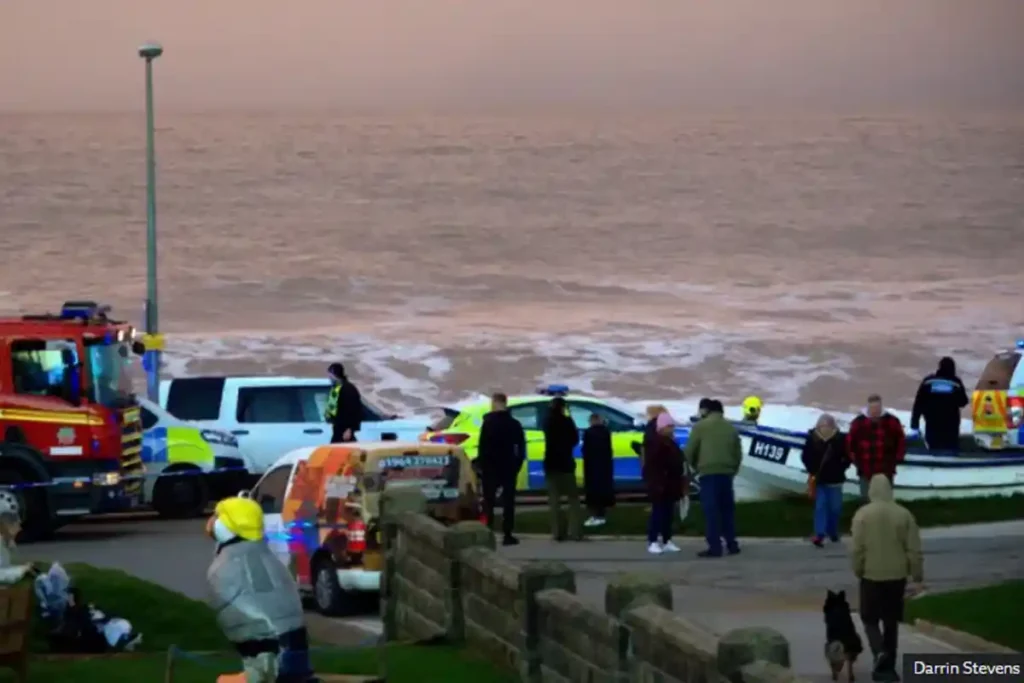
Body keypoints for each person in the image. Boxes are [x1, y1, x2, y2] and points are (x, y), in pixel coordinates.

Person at [207, 497, 319, 683]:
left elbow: (252, 630)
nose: (212, 521)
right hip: (296, 659)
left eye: (218, 516)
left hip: (270, 666)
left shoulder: (227, 567)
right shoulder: (268, 559)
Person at [851, 474, 924, 683]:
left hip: (871, 575)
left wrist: (858, 570)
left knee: (869, 617)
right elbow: (914, 549)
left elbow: (857, 549)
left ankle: (879, 652)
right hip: (897, 576)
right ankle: (889, 664)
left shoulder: (862, 515)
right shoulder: (904, 514)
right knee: (891, 621)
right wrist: (917, 575)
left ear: (871, 490)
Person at [684, 399, 742, 558]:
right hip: (726, 474)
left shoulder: (700, 427)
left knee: (711, 511)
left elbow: (689, 452)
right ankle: (732, 544)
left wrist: (693, 469)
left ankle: (715, 547)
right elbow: (738, 454)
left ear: (705, 410)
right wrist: (732, 470)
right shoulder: (731, 428)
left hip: (708, 473)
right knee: (727, 511)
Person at [477, 392, 526, 546]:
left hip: (490, 467)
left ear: (495, 403)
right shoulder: (514, 424)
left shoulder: (488, 423)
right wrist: (517, 465)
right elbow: (521, 447)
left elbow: (482, 447)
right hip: (508, 467)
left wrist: (482, 466)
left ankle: (488, 532)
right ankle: (507, 534)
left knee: (489, 501)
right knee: (508, 502)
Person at [801, 413, 850, 547]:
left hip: (835, 480)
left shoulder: (841, 439)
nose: (825, 428)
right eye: (822, 425)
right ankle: (820, 534)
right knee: (820, 506)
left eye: (827, 425)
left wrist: (841, 468)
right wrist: (812, 470)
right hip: (820, 481)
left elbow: (847, 457)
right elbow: (805, 456)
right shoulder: (812, 439)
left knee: (835, 508)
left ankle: (832, 531)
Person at [847, 395, 906, 500]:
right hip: (865, 468)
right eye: (872, 409)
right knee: (866, 498)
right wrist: (856, 461)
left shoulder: (892, 421)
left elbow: (901, 441)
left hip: (886, 468)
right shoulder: (858, 422)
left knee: (886, 498)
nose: (875, 412)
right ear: (868, 407)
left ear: (881, 407)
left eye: (877, 409)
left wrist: (897, 458)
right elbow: (850, 444)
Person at [643, 411, 685, 554]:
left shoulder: (671, 442)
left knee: (668, 514)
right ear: (662, 427)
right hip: (659, 485)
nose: (672, 429)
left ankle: (667, 540)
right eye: (669, 426)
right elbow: (654, 466)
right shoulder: (655, 443)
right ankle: (653, 541)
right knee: (658, 513)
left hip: (670, 484)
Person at [542, 397, 582, 541]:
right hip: (566, 464)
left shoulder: (547, 421)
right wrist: (570, 416)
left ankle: (558, 532)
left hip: (551, 464)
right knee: (573, 499)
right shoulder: (567, 422)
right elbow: (575, 440)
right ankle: (576, 531)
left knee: (554, 500)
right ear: (563, 407)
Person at [910, 357, 968, 453]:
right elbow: (963, 402)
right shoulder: (956, 383)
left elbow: (918, 404)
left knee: (933, 448)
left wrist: (914, 425)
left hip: (932, 423)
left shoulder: (927, 382)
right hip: (951, 424)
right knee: (950, 449)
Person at [582, 412, 615, 527]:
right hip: (604, 467)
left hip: (592, 467)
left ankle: (596, 516)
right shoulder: (606, 432)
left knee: (594, 493)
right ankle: (601, 515)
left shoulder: (588, 433)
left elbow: (585, 451)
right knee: (603, 491)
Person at [323, 362, 362, 443]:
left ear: (334, 374)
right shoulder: (336, 388)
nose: (329, 378)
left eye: (330, 375)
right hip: (337, 427)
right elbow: (333, 406)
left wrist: (350, 429)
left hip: (345, 430)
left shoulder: (348, 389)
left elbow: (355, 410)